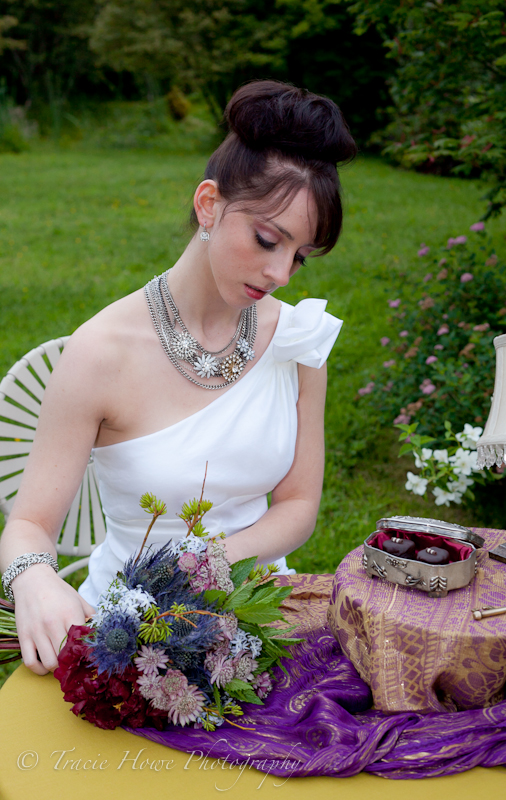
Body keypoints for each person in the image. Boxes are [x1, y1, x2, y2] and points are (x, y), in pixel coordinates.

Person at [0, 80, 357, 677]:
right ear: (209, 204)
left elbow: (297, 503)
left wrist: (211, 560)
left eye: (299, 256)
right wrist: (34, 578)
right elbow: (30, 524)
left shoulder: (296, 340)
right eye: (268, 240)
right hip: (123, 626)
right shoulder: (101, 353)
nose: (280, 275)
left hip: (259, 613)